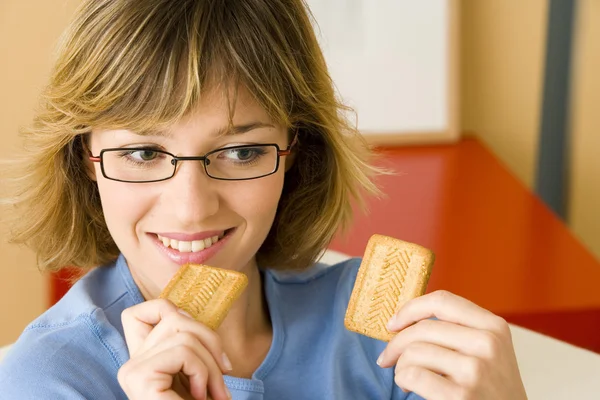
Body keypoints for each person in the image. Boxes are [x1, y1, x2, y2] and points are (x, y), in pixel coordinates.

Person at [0, 0, 528, 399]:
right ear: (83, 161)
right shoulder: (46, 379)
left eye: (242, 151)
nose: (191, 208)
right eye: (142, 154)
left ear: (298, 150)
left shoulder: (379, 334)